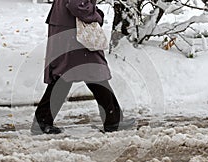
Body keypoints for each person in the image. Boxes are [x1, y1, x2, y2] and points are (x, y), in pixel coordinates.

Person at [31, 0, 135, 134]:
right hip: (73, 31)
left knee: (74, 74)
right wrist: (95, 14)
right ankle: (113, 120)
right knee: (89, 73)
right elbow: (77, 5)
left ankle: (113, 119)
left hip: (68, 28)